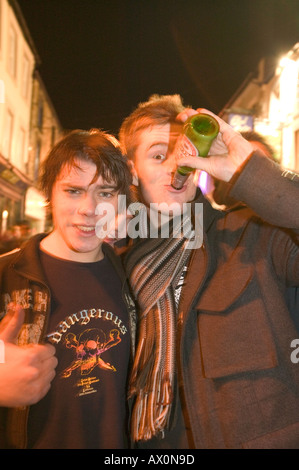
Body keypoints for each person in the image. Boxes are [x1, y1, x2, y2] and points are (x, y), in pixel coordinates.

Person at [119, 94, 299, 449]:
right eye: (158, 155)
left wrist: (247, 171)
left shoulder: (251, 234)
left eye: (184, 152)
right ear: (131, 170)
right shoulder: (120, 269)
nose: (175, 166)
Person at [0, 129, 136, 449]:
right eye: (74, 191)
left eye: (105, 193)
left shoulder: (135, 278)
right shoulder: (5, 275)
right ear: (50, 194)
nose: (89, 208)